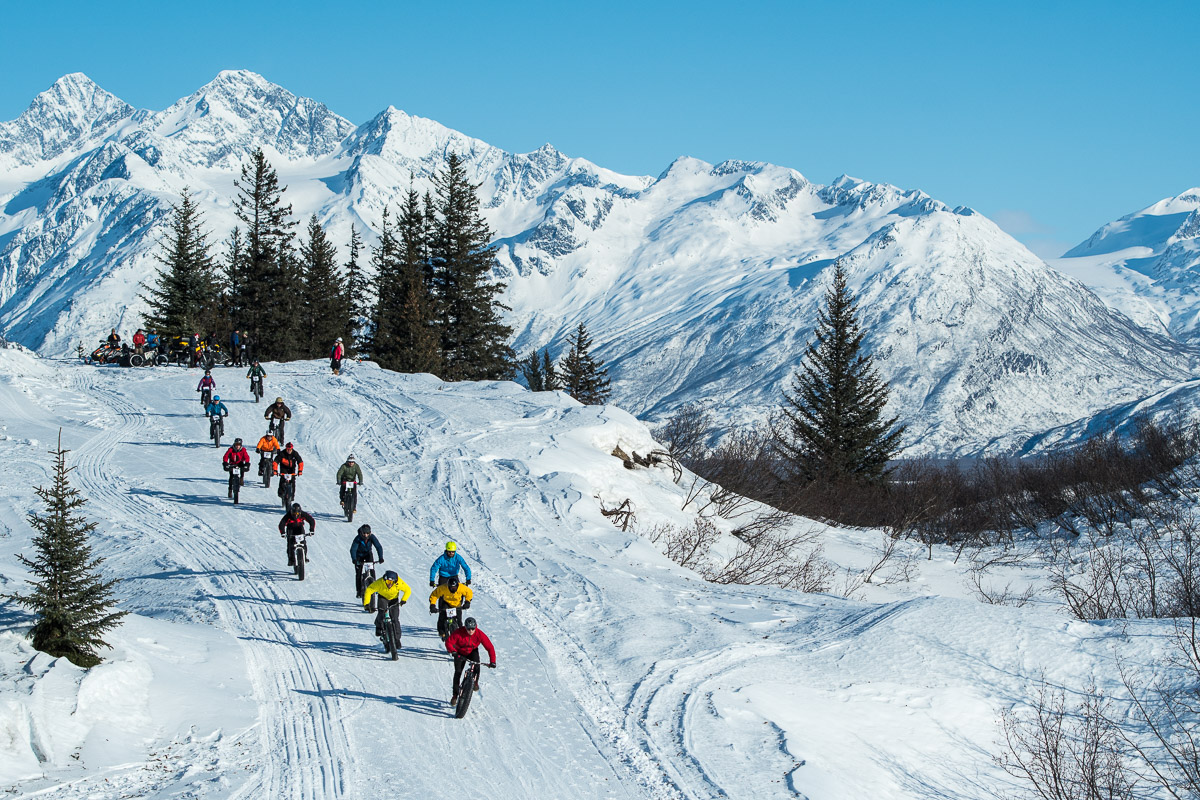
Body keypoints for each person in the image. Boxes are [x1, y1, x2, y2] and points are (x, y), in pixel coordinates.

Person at [445, 617, 496, 704]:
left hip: (472, 651)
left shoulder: (479, 634)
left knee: (477, 664)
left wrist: (492, 661)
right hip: (459, 652)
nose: (471, 631)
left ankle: (475, 682)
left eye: (473, 629)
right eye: (469, 629)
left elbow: (489, 647)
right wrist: (453, 651)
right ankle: (455, 695)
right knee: (458, 672)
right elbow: (448, 642)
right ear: (465, 628)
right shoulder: (458, 633)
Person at [363, 570, 412, 649]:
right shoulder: (380, 583)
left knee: (395, 619)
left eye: (391, 582)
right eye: (387, 581)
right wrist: (366, 604)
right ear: (384, 580)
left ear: (395, 581)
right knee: (381, 613)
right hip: (383, 597)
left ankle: (397, 639)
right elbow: (369, 590)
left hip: (394, 599)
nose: (389, 583)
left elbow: (407, 590)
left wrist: (403, 599)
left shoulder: (399, 583)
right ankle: (379, 626)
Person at [429, 575, 472, 641]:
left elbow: (469, 593)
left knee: (459, 622)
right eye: (451, 588)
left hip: (457, 604)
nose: (453, 589)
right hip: (447, 603)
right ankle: (442, 633)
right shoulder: (443, 588)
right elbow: (434, 595)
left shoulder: (462, 588)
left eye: (454, 587)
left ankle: (462, 637)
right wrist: (432, 605)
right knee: (442, 617)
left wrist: (467, 602)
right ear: (448, 586)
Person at [350, 524, 384, 598]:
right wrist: (354, 559)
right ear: (361, 533)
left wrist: (381, 557)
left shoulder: (372, 537)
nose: (366, 535)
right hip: (359, 556)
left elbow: (378, 546)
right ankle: (359, 591)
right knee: (358, 573)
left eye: (367, 533)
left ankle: (374, 586)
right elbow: (353, 549)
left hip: (368, 554)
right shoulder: (358, 538)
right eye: (364, 533)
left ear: (370, 533)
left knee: (372, 570)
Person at [279, 503, 316, 567]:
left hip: (300, 528)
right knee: (290, 544)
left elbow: (311, 520)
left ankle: (304, 556)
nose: (295, 515)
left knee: (303, 543)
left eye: (297, 514)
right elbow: (281, 524)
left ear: (299, 512)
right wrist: (283, 533)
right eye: (294, 514)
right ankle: (291, 560)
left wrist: (311, 530)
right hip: (291, 529)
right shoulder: (288, 515)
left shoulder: (303, 514)